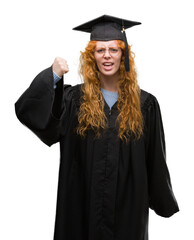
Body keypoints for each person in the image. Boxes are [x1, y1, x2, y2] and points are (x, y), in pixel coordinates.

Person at [15, 15, 179, 240]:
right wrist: (52, 75)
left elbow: (155, 160)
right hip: (80, 211)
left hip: (127, 213)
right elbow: (33, 116)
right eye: (100, 50)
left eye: (114, 49)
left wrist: (162, 200)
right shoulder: (74, 100)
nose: (107, 55)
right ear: (91, 56)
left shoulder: (145, 105)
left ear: (124, 55)